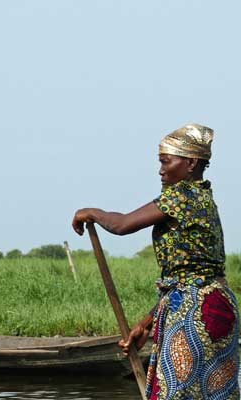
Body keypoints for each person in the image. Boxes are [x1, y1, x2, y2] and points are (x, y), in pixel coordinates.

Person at [72, 124, 240, 400]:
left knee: (177, 393)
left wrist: (90, 212)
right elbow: (189, 277)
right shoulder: (204, 197)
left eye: (166, 161)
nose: (160, 170)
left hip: (195, 311)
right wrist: (147, 324)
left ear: (190, 163)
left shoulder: (182, 195)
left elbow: (123, 224)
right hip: (216, 304)